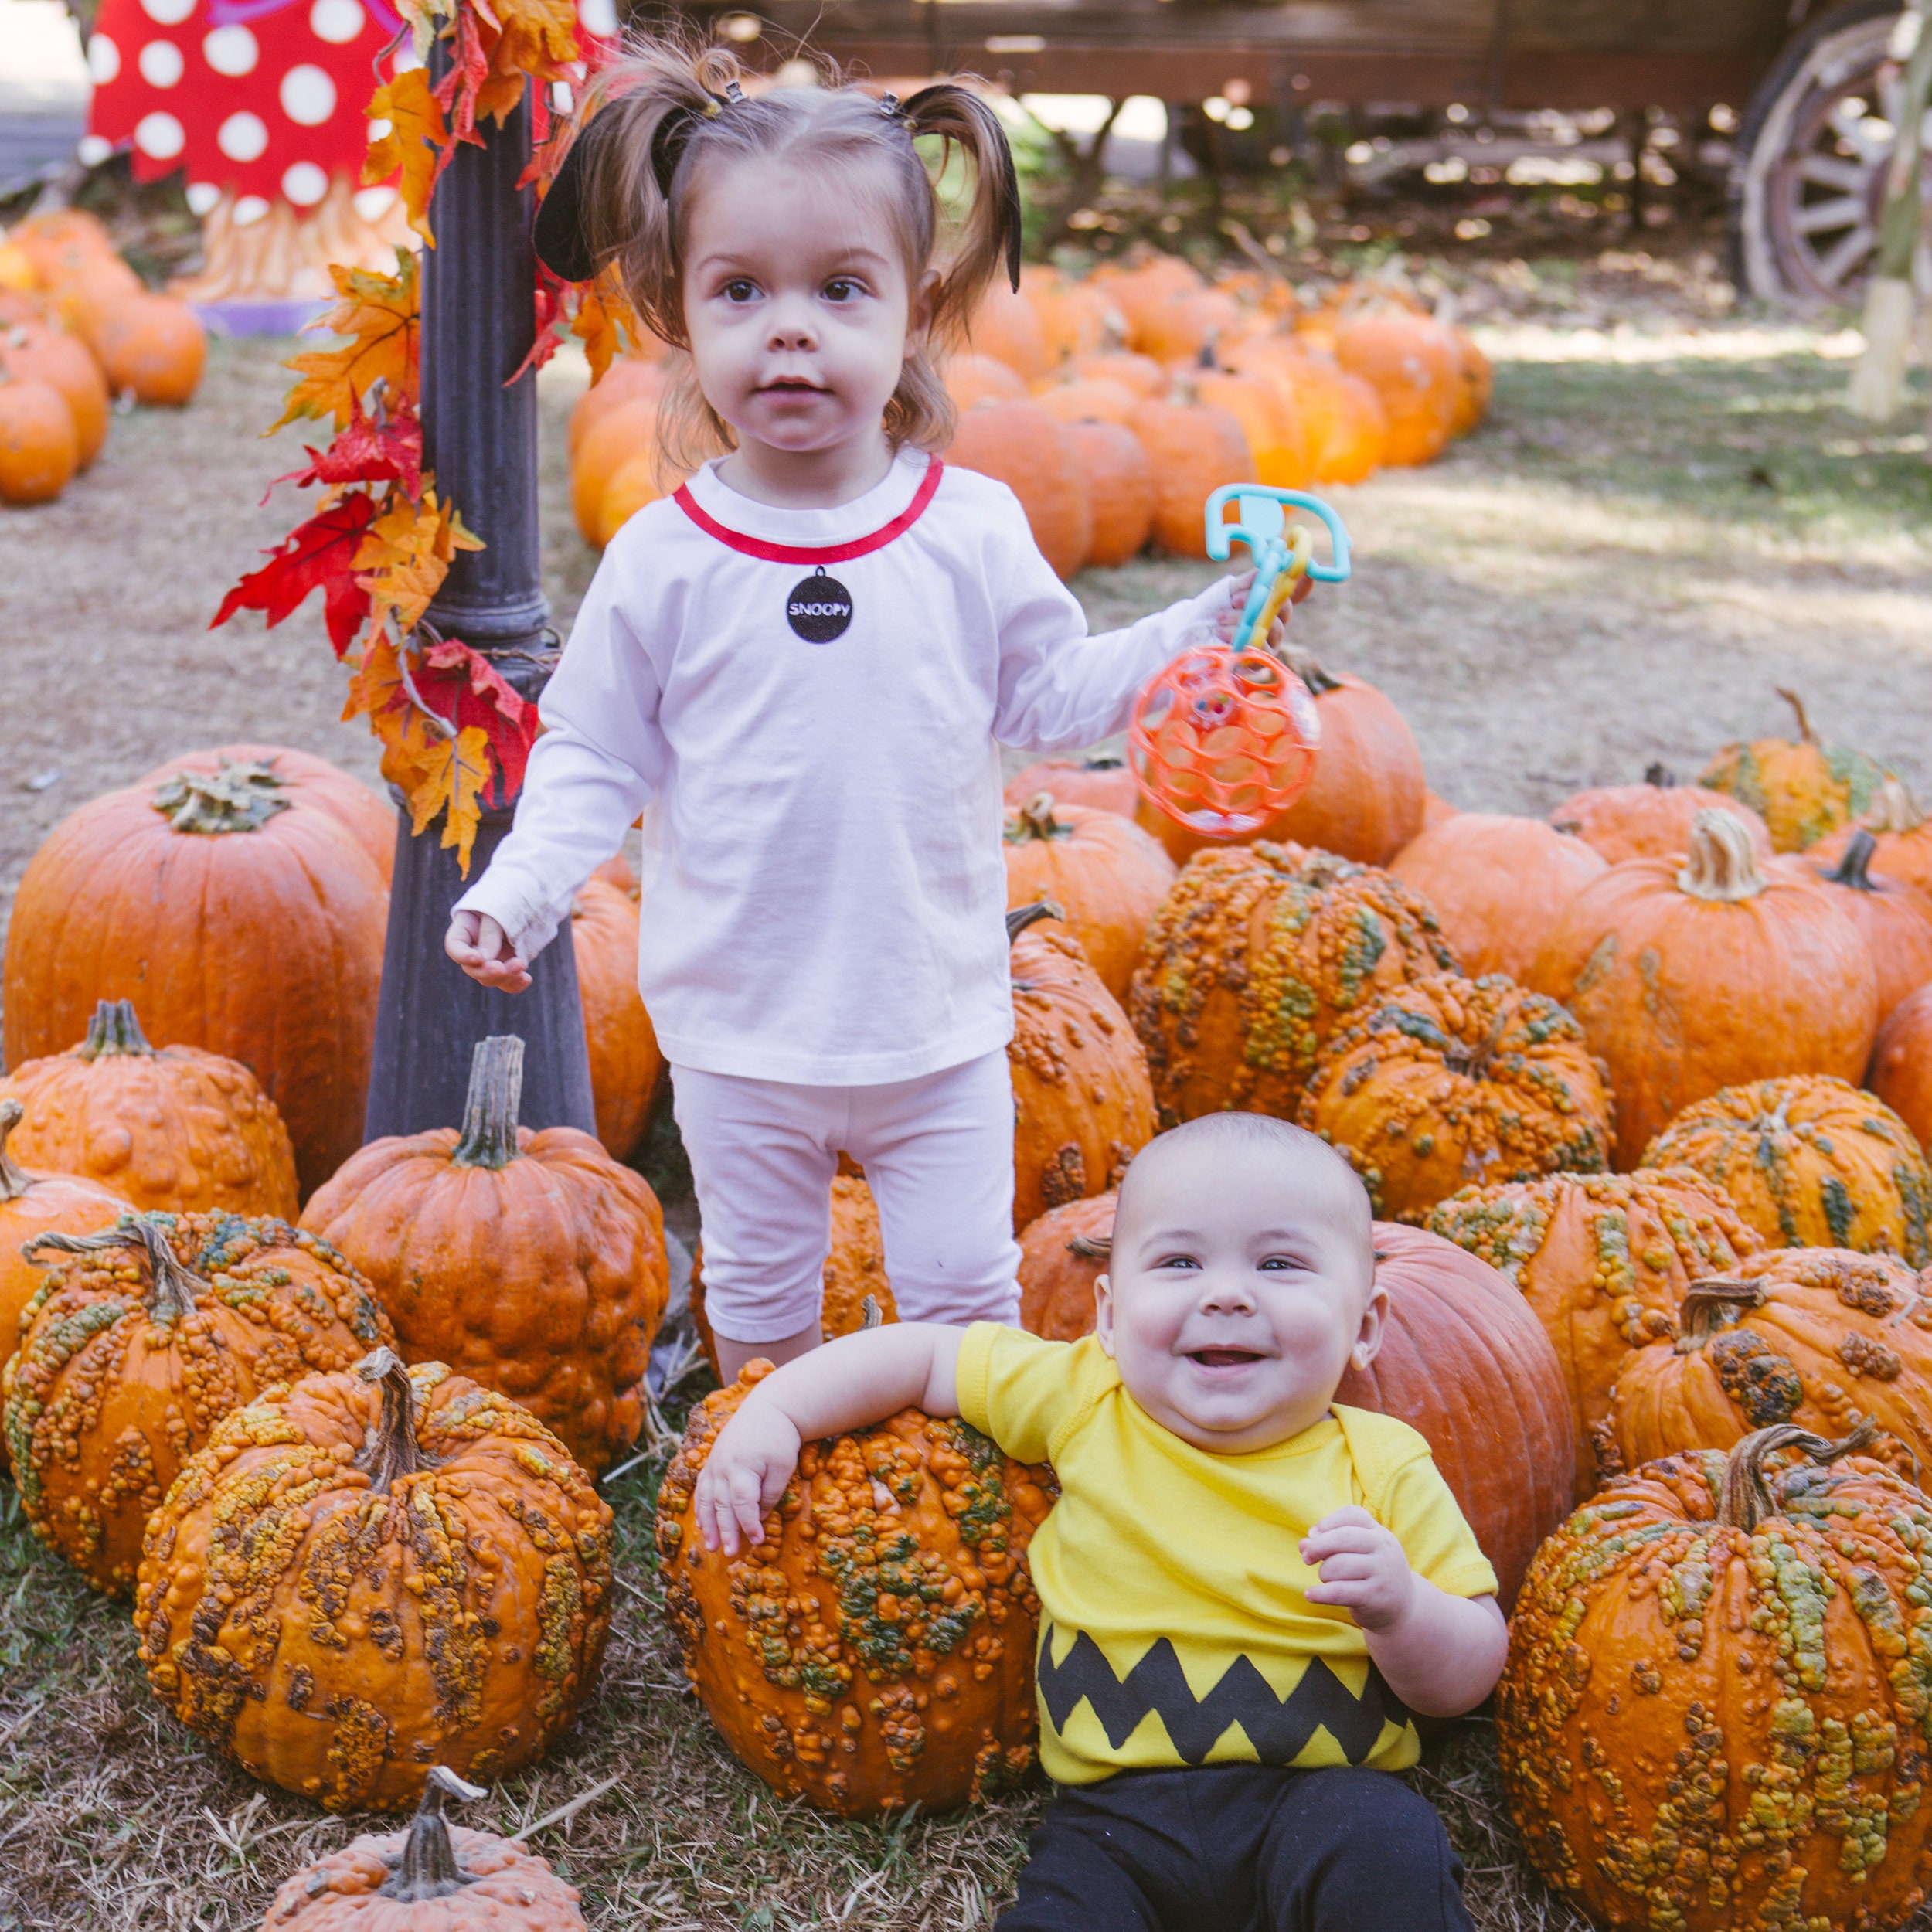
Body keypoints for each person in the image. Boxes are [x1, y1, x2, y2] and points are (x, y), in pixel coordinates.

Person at [445, 36, 1265, 1381]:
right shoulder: (668, 555)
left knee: (960, 1289)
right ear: (679, 311)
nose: (789, 328)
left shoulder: (969, 530)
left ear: (912, 308)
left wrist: (1189, 637)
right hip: (739, 1024)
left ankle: (964, 1475)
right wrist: (528, 885)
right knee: (761, 1287)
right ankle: (764, 1449)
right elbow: (596, 746)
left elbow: (1047, 696)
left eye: (839, 289)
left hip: (931, 1017)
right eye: (740, 290)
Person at [694, 1114, 1508, 1931]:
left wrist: (1402, 1608)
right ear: (1110, 1316)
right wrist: (780, 1408)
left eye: (1279, 1263)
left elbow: (1469, 1669)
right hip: (1119, 1816)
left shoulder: (1383, 1461)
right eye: (1181, 1261)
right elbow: (924, 1356)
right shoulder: (1084, 1395)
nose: (1225, 1292)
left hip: (1325, 1796)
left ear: (1363, 1326)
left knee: (1386, 1850)